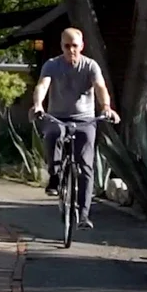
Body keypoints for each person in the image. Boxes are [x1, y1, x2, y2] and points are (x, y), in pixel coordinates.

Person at [29, 27, 119, 229]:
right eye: (66, 46)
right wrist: (38, 105)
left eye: (75, 46)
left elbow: (100, 86)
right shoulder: (52, 65)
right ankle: (54, 175)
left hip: (84, 120)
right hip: (57, 117)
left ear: (82, 46)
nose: (71, 50)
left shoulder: (90, 66)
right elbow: (43, 85)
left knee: (86, 167)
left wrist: (106, 107)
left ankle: (84, 215)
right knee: (53, 134)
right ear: (61, 46)